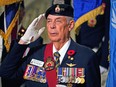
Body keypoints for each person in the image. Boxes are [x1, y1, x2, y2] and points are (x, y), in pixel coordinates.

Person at [0, 4, 101, 87]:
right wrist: (23, 41)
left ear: (70, 25)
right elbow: (5, 74)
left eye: (58, 21)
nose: (52, 26)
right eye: (49, 21)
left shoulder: (86, 56)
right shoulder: (35, 53)